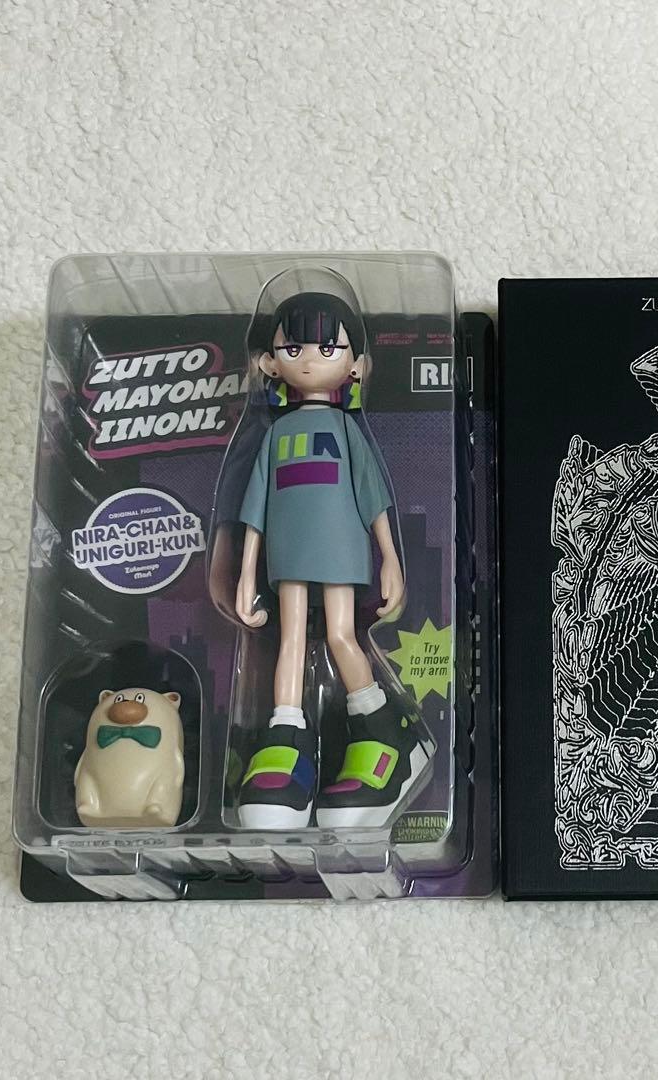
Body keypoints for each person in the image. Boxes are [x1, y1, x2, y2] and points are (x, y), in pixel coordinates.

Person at [235, 290, 428, 829]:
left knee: (343, 636)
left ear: (356, 365)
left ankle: (380, 728)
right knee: (291, 639)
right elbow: (256, 511)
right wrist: (246, 574)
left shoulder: (346, 430)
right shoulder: (276, 434)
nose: (309, 361)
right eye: (292, 349)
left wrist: (390, 558)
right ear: (269, 363)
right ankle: (285, 734)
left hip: (340, 548)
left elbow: (373, 498)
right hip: (287, 556)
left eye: (327, 348)